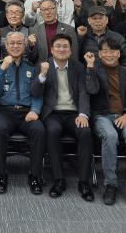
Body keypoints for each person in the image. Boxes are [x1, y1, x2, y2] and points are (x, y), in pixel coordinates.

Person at [33, 34, 93, 200]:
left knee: (86, 132)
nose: (61, 49)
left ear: (71, 50)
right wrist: (42, 75)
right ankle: (59, 179)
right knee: (52, 131)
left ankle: (84, 181)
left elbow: (84, 92)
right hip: (53, 113)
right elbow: (35, 92)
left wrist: (83, 114)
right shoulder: (43, 66)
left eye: (65, 46)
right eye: (58, 46)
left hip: (74, 113)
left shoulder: (78, 67)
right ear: (52, 50)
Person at [0, 32, 45, 195]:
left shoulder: (31, 67)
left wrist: (35, 110)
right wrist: (3, 69)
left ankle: (34, 175)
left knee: (39, 130)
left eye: (19, 43)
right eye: (12, 43)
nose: (15, 46)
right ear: (6, 46)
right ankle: (1, 175)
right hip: (5, 111)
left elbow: (37, 93)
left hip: (27, 112)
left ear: (25, 45)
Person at [87, 38, 126, 206]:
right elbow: (91, 90)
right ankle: (110, 184)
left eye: (112, 51)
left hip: (125, 116)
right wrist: (90, 67)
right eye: (105, 51)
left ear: (118, 53)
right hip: (102, 116)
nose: (109, 54)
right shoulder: (94, 71)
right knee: (110, 136)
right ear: (99, 54)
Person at [27, 0, 79, 64]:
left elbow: (74, 56)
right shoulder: (34, 31)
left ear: (56, 9)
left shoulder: (69, 30)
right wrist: (30, 46)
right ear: (40, 13)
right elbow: (31, 58)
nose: (47, 12)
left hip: (64, 68)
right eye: (44, 9)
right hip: (43, 68)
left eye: (50, 8)